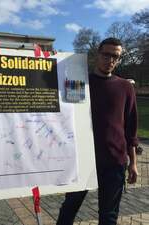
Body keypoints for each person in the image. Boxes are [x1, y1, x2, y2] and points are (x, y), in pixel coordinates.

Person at [56, 37, 139, 225]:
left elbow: (131, 129)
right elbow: (65, 111)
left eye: (115, 56)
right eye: (106, 54)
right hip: (83, 160)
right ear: (97, 54)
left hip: (114, 161)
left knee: (109, 216)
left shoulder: (125, 87)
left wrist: (133, 163)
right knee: (69, 208)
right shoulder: (80, 82)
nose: (110, 60)